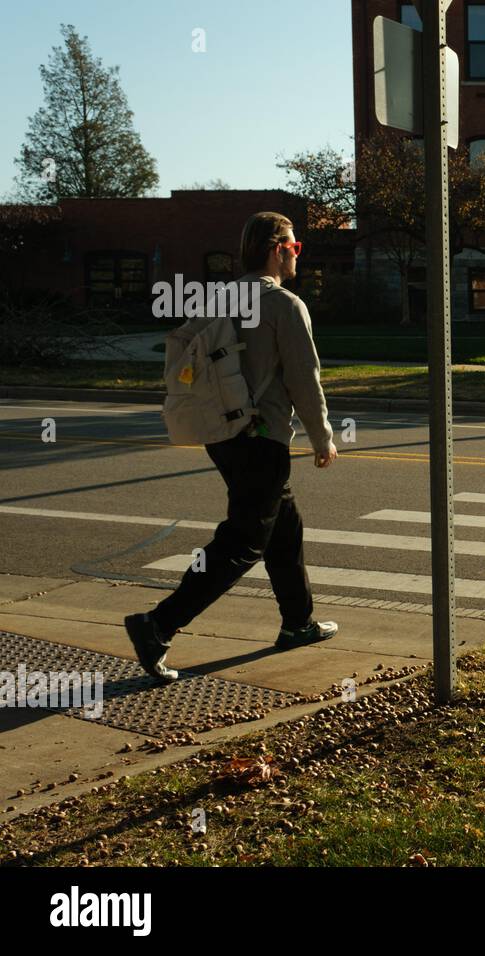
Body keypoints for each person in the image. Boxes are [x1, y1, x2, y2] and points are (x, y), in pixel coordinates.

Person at [125, 212, 339, 682]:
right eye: (294, 247)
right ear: (276, 248)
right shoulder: (284, 304)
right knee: (243, 540)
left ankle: (298, 623)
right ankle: (158, 625)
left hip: (224, 436)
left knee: (284, 527)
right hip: (262, 439)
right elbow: (304, 380)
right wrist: (323, 437)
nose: (297, 255)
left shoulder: (220, 299)